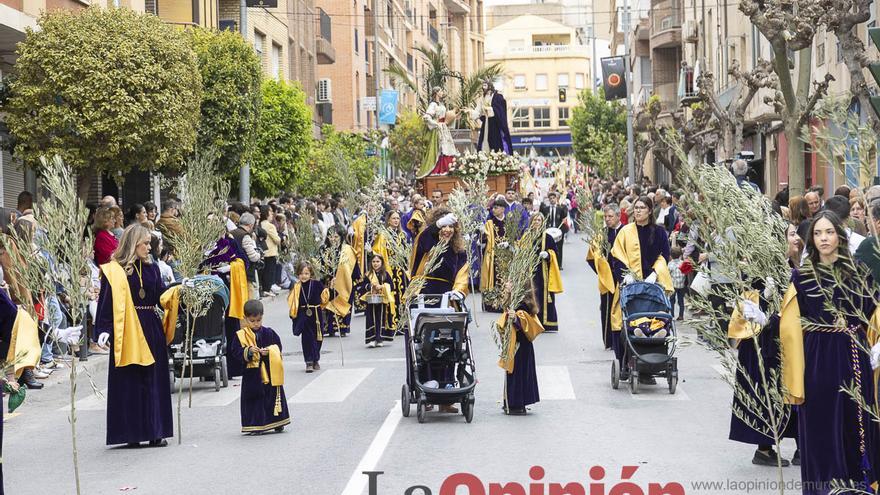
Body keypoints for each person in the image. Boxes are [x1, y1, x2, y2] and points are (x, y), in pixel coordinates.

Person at [774, 211, 880, 493]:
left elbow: (874, 311)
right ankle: (822, 488)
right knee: (820, 424)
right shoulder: (801, 277)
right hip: (817, 359)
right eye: (818, 233)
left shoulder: (859, 272)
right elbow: (789, 321)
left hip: (853, 355)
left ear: (840, 236)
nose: (824, 238)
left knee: (853, 422)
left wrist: (878, 342)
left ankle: (856, 485)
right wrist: (763, 319)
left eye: (829, 232)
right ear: (812, 239)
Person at [728, 223, 802, 467]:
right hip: (764, 343)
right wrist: (765, 305)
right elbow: (747, 304)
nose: (796, 238)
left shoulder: (795, 268)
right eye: (792, 234)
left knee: (793, 389)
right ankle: (764, 447)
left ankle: (801, 446)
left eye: (797, 234)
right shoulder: (761, 270)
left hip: (786, 340)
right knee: (765, 391)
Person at [95, 225, 174, 447]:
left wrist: (178, 292)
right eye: (145, 243)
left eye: (150, 243)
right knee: (130, 381)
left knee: (152, 379)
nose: (149, 248)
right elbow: (106, 301)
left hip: (150, 326)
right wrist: (104, 329)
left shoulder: (153, 268)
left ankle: (155, 431)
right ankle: (131, 434)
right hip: (126, 328)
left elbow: (161, 296)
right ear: (133, 243)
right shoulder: (115, 270)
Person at [609, 196, 672, 382]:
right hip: (629, 286)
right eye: (636, 207)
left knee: (655, 319)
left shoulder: (659, 232)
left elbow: (664, 256)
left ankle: (649, 367)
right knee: (621, 321)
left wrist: (655, 273)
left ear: (650, 211)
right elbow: (616, 255)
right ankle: (625, 364)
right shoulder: (625, 232)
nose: (638, 211)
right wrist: (625, 274)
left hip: (652, 286)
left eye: (642, 208)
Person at [230, 300, 290, 434]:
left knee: (273, 395)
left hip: (270, 371)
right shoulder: (240, 336)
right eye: (252, 321)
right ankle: (255, 425)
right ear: (245, 319)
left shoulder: (269, 332)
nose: (256, 324)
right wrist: (249, 351)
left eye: (259, 320)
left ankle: (277, 421)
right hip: (252, 374)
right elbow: (235, 351)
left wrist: (269, 351)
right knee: (254, 398)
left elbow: (278, 347)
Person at [496, 286, 544, 415]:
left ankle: (517, 403)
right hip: (515, 342)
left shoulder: (524, 304)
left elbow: (525, 324)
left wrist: (516, 319)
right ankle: (511, 401)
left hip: (521, 344)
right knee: (513, 371)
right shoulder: (515, 300)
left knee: (518, 372)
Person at [587, 204, 624, 350]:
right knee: (607, 307)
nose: (607, 220)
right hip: (608, 279)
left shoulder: (627, 231)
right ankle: (609, 341)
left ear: (618, 216)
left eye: (610, 216)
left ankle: (623, 338)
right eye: (606, 217)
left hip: (624, 276)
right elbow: (591, 256)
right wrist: (602, 272)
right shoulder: (601, 234)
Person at [288, 262, 329, 373]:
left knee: (318, 338)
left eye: (306, 273)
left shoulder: (316, 284)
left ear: (310, 273)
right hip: (303, 315)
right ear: (298, 274)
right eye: (301, 273)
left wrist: (332, 288)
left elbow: (325, 298)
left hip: (316, 314)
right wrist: (294, 315)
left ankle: (316, 359)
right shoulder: (296, 287)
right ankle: (309, 362)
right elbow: (292, 302)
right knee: (307, 338)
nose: (304, 276)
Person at [372, 210, 409, 332]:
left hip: (401, 270)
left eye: (398, 218)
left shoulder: (402, 235)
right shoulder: (383, 235)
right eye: (393, 218)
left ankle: (403, 323)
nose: (396, 221)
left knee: (402, 295)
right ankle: (392, 325)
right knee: (392, 295)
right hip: (390, 270)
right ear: (388, 220)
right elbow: (379, 253)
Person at [324, 226, 360, 338]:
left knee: (344, 302)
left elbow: (354, 269)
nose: (333, 239)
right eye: (331, 236)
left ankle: (343, 327)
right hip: (329, 283)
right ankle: (330, 328)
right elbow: (319, 268)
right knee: (329, 304)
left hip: (345, 282)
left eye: (336, 236)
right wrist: (327, 278)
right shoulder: (323, 250)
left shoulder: (348, 250)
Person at [529, 213, 563, 331]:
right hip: (530, 272)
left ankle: (546, 324)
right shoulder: (526, 236)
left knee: (544, 296)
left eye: (539, 220)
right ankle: (532, 323)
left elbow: (556, 253)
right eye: (535, 220)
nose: (537, 222)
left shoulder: (547, 237)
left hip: (544, 273)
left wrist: (548, 255)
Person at [417, 87, 458, 178]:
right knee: (438, 149)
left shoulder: (441, 104)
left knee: (447, 147)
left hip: (443, 128)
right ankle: (438, 169)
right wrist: (436, 124)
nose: (442, 92)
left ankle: (446, 168)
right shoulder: (433, 104)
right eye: (440, 91)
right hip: (437, 129)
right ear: (436, 93)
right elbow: (426, 117)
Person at [358, 254, 396, 347]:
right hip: (371, 300)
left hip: (382, 301)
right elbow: (362, 287)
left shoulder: (385, 274)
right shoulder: (368, 274)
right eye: (374, 261)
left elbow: (391, 286)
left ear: (382, 263)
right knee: (371, 319)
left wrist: (382, 286)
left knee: (381, 319)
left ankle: (380, 339)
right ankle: (371, 339)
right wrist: (371, 287)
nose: (375, 264)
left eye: (378, 261)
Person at [471, 79, 513, 154]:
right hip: (486, 123)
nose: (483, 88)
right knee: (483, 140)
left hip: (495, 123)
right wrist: (470, 112)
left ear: (490, 86)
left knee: (496, 142)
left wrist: (490, 109)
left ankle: (498, 156)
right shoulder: (481, 98)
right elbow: (478, 110)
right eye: (483, 86)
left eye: (485, 85)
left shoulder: (498, 97)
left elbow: (500, 109)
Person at [480, 199, 508, 312]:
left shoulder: (510, 221)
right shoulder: (489, 223)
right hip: (493, 256)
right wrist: (482, 233)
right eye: (493, 208)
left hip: (507, 255)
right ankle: (492, 304)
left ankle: (506, 302)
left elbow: (516, 237)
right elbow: (483, 241)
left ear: (502, 209)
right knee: (494, 277)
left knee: (506, 279)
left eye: (496, 208)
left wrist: (509, 243)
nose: (493, 210)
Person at [540, 192, 570, 266]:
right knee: (548, 247)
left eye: (554, 198)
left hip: (558, 230)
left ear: (556, 199)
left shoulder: (560, 209)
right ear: (549, 200)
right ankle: (549, 263)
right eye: (550, 198)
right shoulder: (545, 209)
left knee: (559, 247)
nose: (552, 200)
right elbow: (542, 219)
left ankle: (559, 264)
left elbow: (563, 220)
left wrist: (562, 231)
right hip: (548, 231)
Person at [259, 206, 281, 297]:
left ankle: (265, 289)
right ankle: (267, 289)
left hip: (263, 252)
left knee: (264, 272)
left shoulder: (260, 224)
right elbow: (277, 240)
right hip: (271, 252)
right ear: (266, 213)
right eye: (270, 212)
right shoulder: (270, 226)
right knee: (269, 272)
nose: (272, 214)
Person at [667, 246, 687, 321]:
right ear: (680, 255)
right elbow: (686, 273)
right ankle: (681, 316)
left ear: (671, 255)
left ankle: (671, 315)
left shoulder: (670, 264)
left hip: (673, 285)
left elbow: (668, 274)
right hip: (682, 285)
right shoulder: (683, 263)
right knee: (681, 301)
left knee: (672, 300)